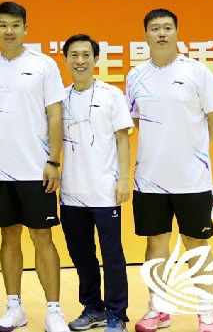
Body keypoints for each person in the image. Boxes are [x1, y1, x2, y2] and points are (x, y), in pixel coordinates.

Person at [126, 9, 213, 332]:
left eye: (167, 27)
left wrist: (194, 150)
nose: (161, 33)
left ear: (177, 32)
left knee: (196, 243)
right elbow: (136, 121)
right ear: (146, 35)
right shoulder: (135, 76)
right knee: (156, 244)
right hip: (149, 179)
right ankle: (158, 308)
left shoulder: (197, 72)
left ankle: (207, 311)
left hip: (191, 179)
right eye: (155, 28)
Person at [0, 1, 69, 332]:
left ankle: (54, 310)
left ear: (26, 28)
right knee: (8, 237)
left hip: (35, 169)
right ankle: (14, 307)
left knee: (42, 237)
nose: (9, 31)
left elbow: (55, 114)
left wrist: (54, 160)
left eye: (15, 25)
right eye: (3, 25)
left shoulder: (44, 65)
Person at [58, 35, 132, 332]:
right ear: (66, 59)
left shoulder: (111, 95)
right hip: (71, 193)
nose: (80, 61)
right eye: (74, 55)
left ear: (95, 59)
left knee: (112, 256)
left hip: (104, 191)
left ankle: (117, 314)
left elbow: (123, 139)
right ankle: (93, 308)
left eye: (86, 55)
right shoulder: (59, 99)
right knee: (82, 256)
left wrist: (124, 179)